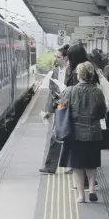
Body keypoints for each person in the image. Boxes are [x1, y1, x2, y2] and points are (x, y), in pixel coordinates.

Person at [60, 61, 107, 202]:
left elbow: (61, 109)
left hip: (75, 133)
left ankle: (81, 196)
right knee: (92, 163)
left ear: (78, 75)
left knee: (77, 165)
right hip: (93, 133)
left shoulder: (69, 91)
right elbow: (102, 113)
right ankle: (92, 189)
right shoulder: (98, 91)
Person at [60, 44, 100, 189]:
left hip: (76, 123)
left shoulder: (78, 75)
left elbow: (73, 99)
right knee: (90, 156)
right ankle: (90, 186)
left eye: (69, 57)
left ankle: (82, 188)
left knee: (78, 155)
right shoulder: (90, 72)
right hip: (92, 125)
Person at [39, 45, 69, 175]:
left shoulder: (72, 71)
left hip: (71, 108)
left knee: (71, 139)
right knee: (55, 136)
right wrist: (49, 111)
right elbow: (52, 93)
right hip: (60, 108)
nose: (55, 59)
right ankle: (50, 167)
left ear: (66, 58)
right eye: (55, 56)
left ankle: (74, 166)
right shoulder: (55, 72)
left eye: (58, 57)